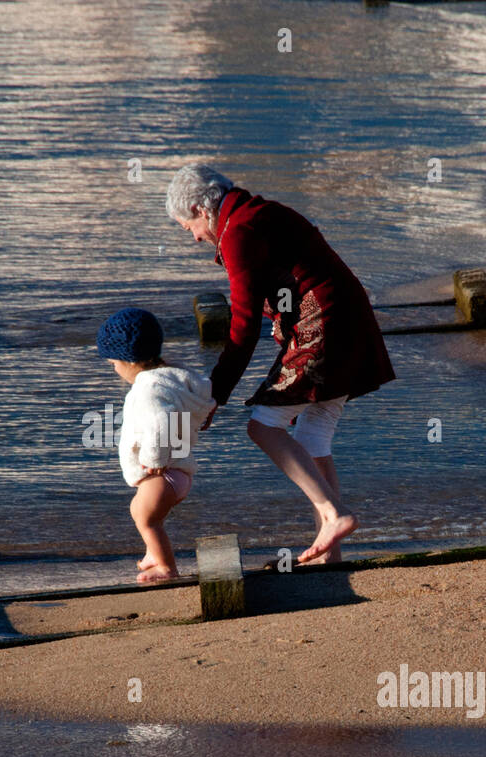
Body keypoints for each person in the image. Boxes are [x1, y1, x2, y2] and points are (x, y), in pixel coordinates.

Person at [166, 164, 396, 564]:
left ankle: (334, 514)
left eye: (188, 228)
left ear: (201, 210)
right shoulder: (256, 212)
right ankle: (331, 554)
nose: (195, 237)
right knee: (313, 437)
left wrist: (216, 393)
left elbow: (242, 324)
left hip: (324, 325)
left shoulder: (237, 232)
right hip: (348, 319)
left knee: (262, 425)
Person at [97, 308, 217, 583]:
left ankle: (166, 567)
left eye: (113, 363)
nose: (114, 369)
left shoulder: (148, 389)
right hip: (177, 473)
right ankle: (154, 554)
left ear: (128, 361)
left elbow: (161, 422)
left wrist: (154, 460)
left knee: (145, 516)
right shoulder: (172, 380)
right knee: (143, 513)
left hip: (164, 474)